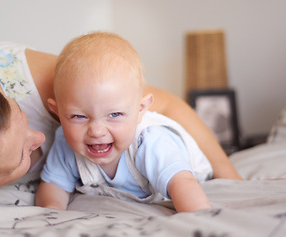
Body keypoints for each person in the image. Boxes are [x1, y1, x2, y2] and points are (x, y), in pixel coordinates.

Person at [0, 37, 241, 205]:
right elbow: (52, 192)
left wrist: (231, 180)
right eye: (22, 156)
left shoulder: (26, 78)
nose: (41, 139)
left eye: (22, 117)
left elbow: (166, 104)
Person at [35, 32, 212, 212]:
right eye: (79, 116)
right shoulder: (65, 142)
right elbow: (53, 186)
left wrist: (198, 220)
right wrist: (51, 211)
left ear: (140, 110)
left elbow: (183, 184)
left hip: (188, 174)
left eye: (114, 115)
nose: (96, 131)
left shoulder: (149, 142)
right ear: (57, 112)